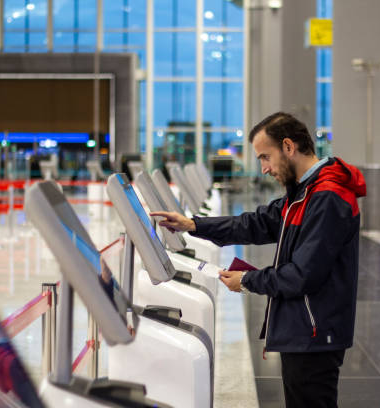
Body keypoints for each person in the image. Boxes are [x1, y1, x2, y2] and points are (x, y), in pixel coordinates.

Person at [151, 112, 366, 408]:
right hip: (305, 327)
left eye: (266, 157)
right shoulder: (304, 191)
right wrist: (194, 225)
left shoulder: (327, 196)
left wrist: (248, 281)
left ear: (288, 147)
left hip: (315, 332)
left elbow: (302, 275)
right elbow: (255, 223)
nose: (263, 169)